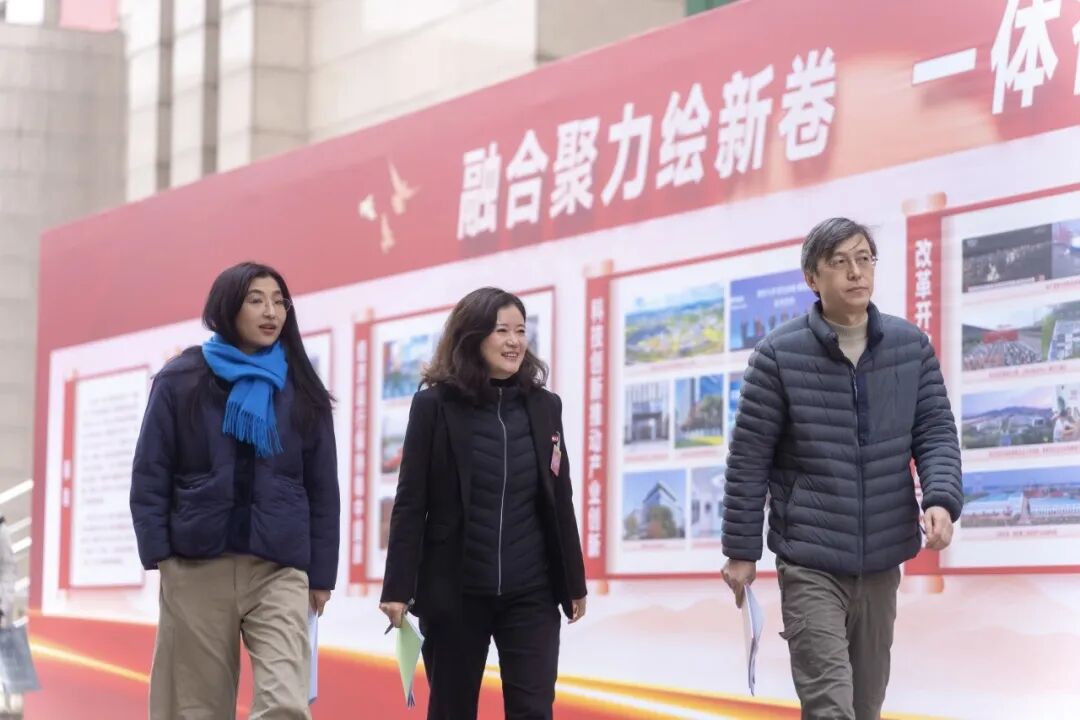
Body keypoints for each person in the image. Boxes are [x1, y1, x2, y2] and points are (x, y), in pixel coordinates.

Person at [721, 219, 963, 720]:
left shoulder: (909, 347)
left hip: (882, 558)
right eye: (839, 262)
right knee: (830, 706)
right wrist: (741, 551)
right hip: (809, 560)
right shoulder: (778, 356)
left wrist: (940, 498)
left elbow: (935, 431)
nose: (856, 272)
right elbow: (749, 459)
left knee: (864, 706)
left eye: (864, 259)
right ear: (813, 278)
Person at [130, 262, 339, 719]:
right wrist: (162, 555)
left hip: (279, 567)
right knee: (196, 708)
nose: (271, 312)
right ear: (226, 307)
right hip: (197, 564)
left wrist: (322, 574)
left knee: (286, 703)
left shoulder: (302, 386)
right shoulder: (180, 379)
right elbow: (150, 471)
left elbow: (323, 486)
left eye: (279, 302)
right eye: (256, 300)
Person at [379, 287, 588, 720]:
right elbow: (411, 501)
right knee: (452, 711)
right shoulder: (434, 405)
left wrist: (574, 582)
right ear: (472, 336)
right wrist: (397, 588)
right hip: (455, 592)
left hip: (531, 591)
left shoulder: (545, 406)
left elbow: (559, 497)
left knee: (534, 711)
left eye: (521, 331)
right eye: (502, 331)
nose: (514, 341)